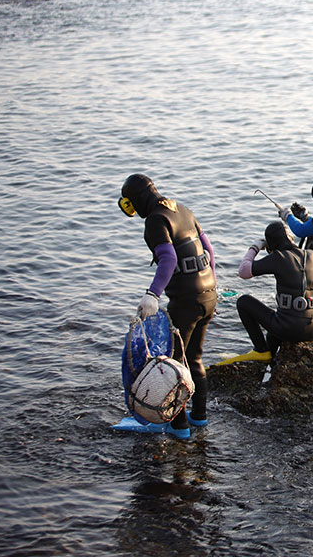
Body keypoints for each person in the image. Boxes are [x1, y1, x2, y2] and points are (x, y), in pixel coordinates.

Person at [118, 174, 217, 439]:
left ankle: (179, 426)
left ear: (136, 201)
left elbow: (169, 258)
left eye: (129, 204)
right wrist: (211, 289)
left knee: (175, 364)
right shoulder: (182, 209)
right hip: (207, 294)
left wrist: (153, 294)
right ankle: (199, 417)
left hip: (185, 299)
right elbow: (209, 251)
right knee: (193, 357)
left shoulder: (155, 220)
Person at [226, 221, 313, 364]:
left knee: (244, 302)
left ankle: (260, 351)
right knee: (274, 331)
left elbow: (244, 271)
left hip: (290, 328)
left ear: (271, 245)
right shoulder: (311, 255)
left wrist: (255, 247)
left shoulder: (279, 257)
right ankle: (270, 361)